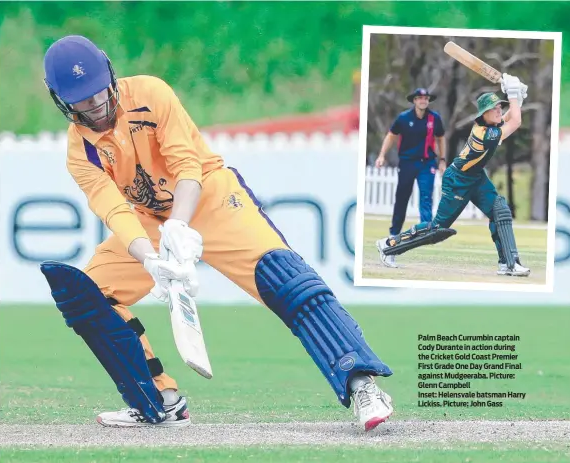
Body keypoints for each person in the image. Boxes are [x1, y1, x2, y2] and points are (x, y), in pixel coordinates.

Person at [39, 35, 394, 431]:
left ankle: (362, 382)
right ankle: (158, 402)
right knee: (86, 294)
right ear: (61, 100)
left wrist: (179, 225)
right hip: (146, 221)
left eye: (99, 92)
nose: (96, 105)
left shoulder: (151, 94)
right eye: (81, 100)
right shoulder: (79, 152)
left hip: (209, 197)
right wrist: (150, 258)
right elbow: (114, 209)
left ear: (110, 75)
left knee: (285, 279)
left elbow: (187, 164)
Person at [377, 74, 530, 277]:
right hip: (458, 180)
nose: (498, 111)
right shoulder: (485, 135)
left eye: (499, 107)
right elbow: (516, 121)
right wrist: (512, 93)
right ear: (484, 114)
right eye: (494, 108)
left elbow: (510, 117)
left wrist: (517, 96)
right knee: (437, 229)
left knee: (500, 211)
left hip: (476, 176)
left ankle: (509, 263)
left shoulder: (491, 125)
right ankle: (389, 245)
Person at [374, 88, 446, 268]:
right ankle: (393, 236)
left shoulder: (434, 118)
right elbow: (391, 136)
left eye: (426, 98)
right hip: (407, 162)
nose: (423, 101)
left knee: (426, 197)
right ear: (414, 100)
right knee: (402, 199)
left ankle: (425, 231)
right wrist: (382, 155)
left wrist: (442, 159)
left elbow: (441, 138)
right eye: (420, 98)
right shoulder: (404, 118)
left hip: (427, 163)